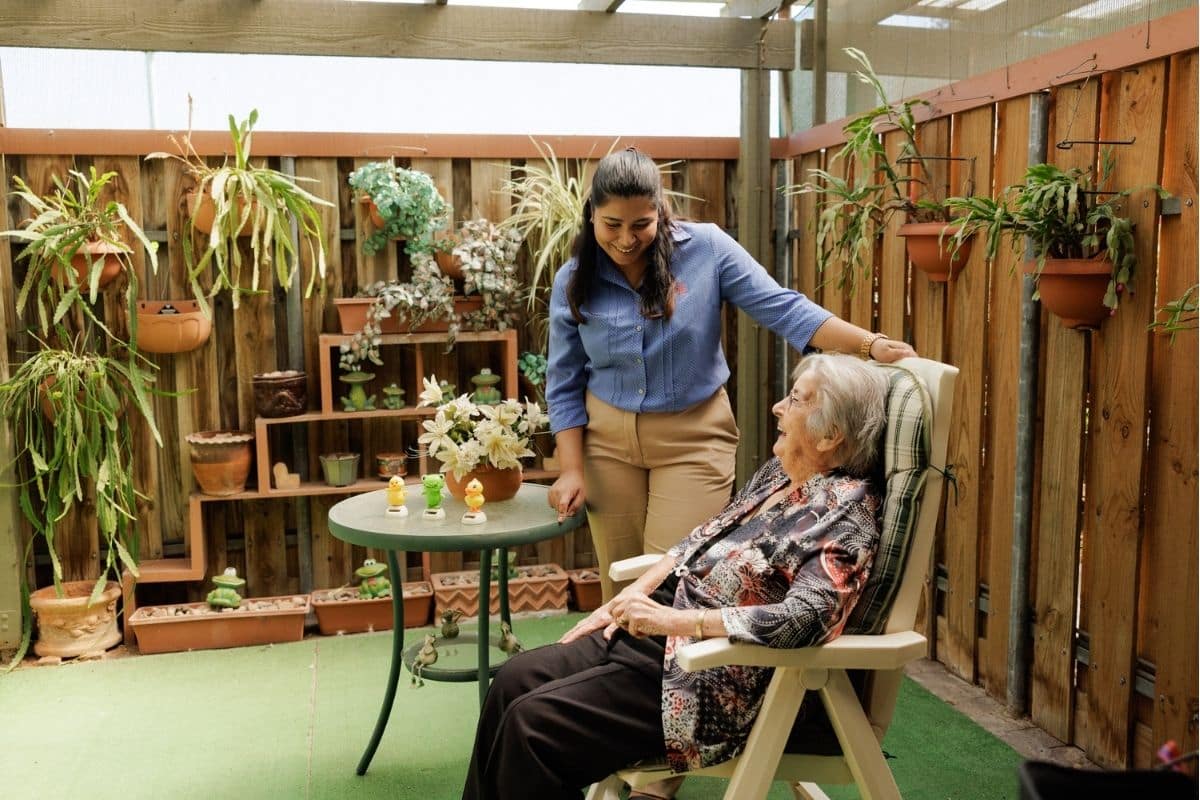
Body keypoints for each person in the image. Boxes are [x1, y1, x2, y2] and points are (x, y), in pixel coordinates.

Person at [462, 353, 891, 800]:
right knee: (512, 678)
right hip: (656, 640)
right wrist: (631, 596)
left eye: (796, 401)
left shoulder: (847, 516)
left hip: (705, 677)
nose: (778, 408)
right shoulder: (780, 477)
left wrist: (676, 623)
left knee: (532, 726)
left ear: (831, 435)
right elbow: (698, 541)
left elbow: (808, 615)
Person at [545, 147, 915, 607]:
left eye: (640, 224)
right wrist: (572, 470)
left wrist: (869, 344)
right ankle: (619, 676)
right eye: (611, 225)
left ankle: (672, 677)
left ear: (659, 211)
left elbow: (784, 308)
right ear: (591, 216)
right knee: (618, 583)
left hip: (692, 441)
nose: (626, 240)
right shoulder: (573, 279)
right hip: (606, 445)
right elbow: (562, 381)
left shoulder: (708, 250)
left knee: (671, 585)